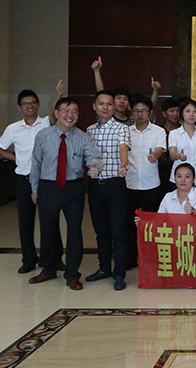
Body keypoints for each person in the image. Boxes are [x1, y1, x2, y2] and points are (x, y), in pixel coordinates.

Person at [28, 97, 101, 291]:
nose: (70, 115)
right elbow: (35, 163)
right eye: (66, 111)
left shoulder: (83, 137)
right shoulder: (43, 135)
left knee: (74, 231)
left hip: (73, 188)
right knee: (48, 229)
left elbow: (94, 158)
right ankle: (48, 269)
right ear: (57, 113)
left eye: (74, 111)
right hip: (48, 187)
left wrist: (95, 168)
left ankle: (72, 274)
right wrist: (34, 189)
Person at [0, 84, 63, 274]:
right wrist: (17, 159)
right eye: (26, 104)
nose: (30, 106)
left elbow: (54, 115)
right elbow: (0, 148)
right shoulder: (13, 129)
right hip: (24, 179)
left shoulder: (45, 123)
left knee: (50, 220)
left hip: (45, 179)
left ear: (38, 104)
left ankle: (55, 258)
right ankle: (28, 259)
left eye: (33, 102)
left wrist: (59, 94)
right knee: (26, 221)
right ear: (20, 107)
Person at [85, 90, 130, 291]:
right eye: (101, 104)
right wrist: (90, 167)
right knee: (101, 231)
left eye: (109, 104)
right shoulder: (89, 130)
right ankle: (104, 268)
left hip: (115, 185)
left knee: (118, 232)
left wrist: (124, 164)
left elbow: (123, 148)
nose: (105, 107)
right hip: (95, 186)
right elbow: (88, 155)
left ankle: (119, 273)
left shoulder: (122, 128)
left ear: (114, 107)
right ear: (94, 106)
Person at [124, 95, 166, 270]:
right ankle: (130, 257)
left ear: (149, 112)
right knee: (129, 223)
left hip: (151, 184)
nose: (140, 114)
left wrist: (155, 155)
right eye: (136, 110)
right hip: (130, 183)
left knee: (151, 224)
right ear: (131, 112)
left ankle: (150, 258)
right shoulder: (126, 131)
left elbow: (160, 149)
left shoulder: (158, 131)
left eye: (143, 111)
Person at [168, 98, 196, 187]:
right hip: (179, 176)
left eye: (194, 111)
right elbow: (172, 154)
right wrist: (178, 156)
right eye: (188, 111)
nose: (191, 114)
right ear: (182, 113)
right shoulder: (174, 133)